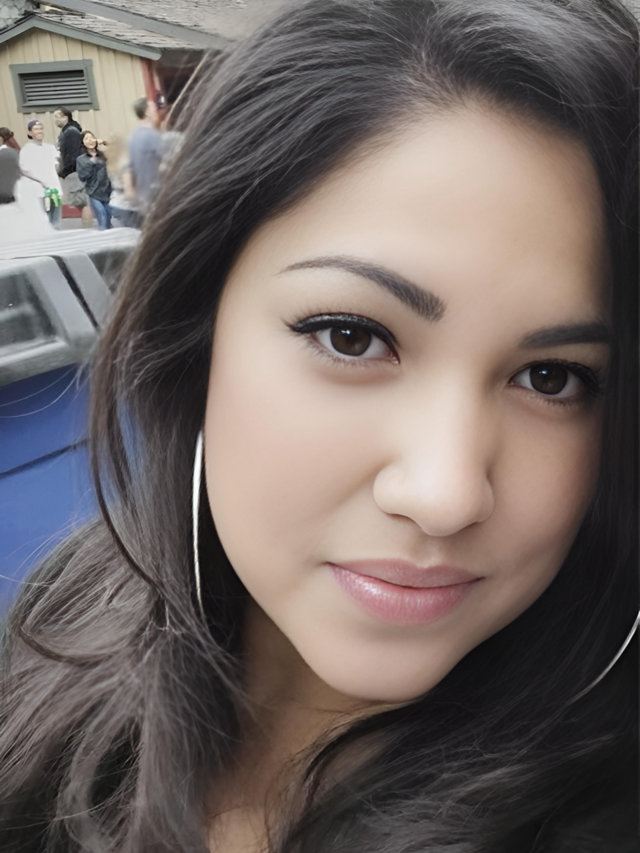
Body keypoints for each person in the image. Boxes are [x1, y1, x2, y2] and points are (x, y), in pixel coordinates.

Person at [0, 2, 637, 852]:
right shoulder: (61, 620)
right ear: (196, 332)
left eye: (552, 378)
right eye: (352, 336)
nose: (444, 494)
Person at [17, 119, 62, 229]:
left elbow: (56, 165)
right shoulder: (26, 149)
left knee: (56, 218)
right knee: (43, 219)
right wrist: (41, 180)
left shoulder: (50, 148)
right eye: (36, 129)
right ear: (30, 132)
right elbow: (24, 169)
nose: (39, 131)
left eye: (41, 129)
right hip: (38, 189)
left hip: (54, 187)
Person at [53, 106, 92, 228]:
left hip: (74, 171)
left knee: (82, 202)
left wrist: (67, 169)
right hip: (72, 171)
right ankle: (88, 228)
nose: (56, 120)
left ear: (66, 117)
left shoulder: (70, 132)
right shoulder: (66, 132)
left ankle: (88, 230)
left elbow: (73, 154)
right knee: (79, 203)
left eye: (58, 117)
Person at [128, 95, 163, 217]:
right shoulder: (152, 136)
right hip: (157, 196)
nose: (157, 112)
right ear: (147, 112)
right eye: (154, 109)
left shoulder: (133, 137)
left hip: (143, 197)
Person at [76, 130, 113, 230]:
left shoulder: (103, 155)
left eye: (91, 137)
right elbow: (83, 176)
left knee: (109, 217)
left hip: (107, 191)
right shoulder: (81, 159)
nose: (89, 140)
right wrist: (92, 163)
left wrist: (104, 142)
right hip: (93, 192)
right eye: (86, 139)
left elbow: (115, 150)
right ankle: (102, 235)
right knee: (102, 216)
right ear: (82, 143)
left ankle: (109, 236)